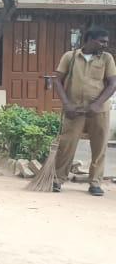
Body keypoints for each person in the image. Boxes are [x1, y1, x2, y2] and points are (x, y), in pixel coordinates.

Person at [48, 27, 116, 196]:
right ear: (90, 40)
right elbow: (57, 80)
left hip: (98, 111)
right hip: (74, 110)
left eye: (106, 42)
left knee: (99, 148)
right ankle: (58, 179)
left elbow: (112, 84)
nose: (105, 45)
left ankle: (95, 183)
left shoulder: (107, 58)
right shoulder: (70, 57)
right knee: (66, 144)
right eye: (102, 41)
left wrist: (97, 104)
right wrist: (66, 104)